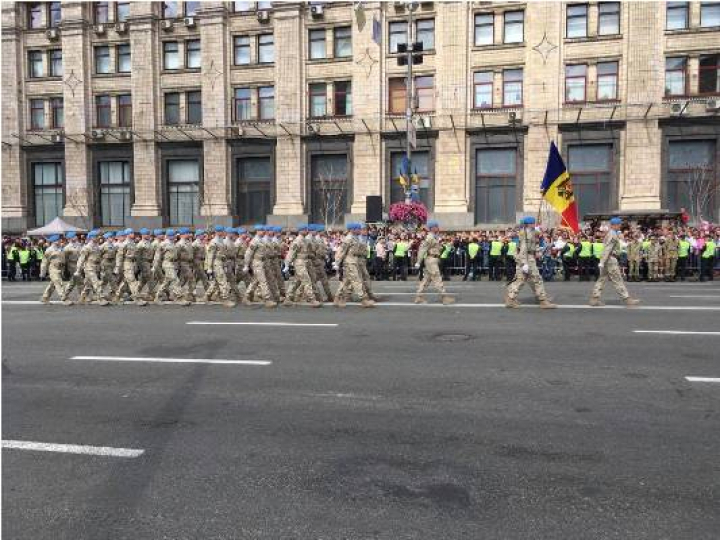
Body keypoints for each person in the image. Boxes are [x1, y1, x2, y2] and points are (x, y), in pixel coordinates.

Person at [505, 217, 556, 309]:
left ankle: (510, 298)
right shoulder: (526, 233)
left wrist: (538, 251)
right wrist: (524, 263)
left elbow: (532, 245)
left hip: (526, 257)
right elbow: (523, 248)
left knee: (521, 279)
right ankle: (543, 301)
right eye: (533, 223)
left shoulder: (530, 232)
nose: (535, 224)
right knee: (537, 279)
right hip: (527, 258)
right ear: (529, 224)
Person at [589, 217, 641, 307]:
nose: (620, 226)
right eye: (619, 224)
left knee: (601, 279)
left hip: (607, 259)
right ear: (615, 225)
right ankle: (627, 299)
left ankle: (594, 299)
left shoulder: (611, 233)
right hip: (611, 259)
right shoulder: (612, 235)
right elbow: (608, 248)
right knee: (617, 279)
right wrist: (603, 261)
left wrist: (602, 261)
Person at [414, 221, 455, 305]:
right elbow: (422, 249)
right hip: (431, 260)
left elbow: (437, 248)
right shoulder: (429, 237)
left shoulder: (435, 237)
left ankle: (419, 297)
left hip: (433, 259)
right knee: (437, 278)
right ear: (432, 228)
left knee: (426, 280)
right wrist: (418, 261)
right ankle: (444, 298)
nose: (438, 227)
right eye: (436, 226)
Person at [334, 223, 374, 308]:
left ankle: (337, 298)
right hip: (349, 262)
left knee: (346, 281)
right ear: (352, 230)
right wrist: (337, 263)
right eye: (358, 229)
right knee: (357, 280)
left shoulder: (355, 238)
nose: (360, 230)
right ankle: (364, 299)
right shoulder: (348, 239)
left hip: (355, 261)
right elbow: (342, 251)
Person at [284, 225, 322, 307]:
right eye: (305, 230)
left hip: (306, 262)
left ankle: (288, 298)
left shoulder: (305, 240)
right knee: (306, 280)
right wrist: (287, 264)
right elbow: (291, 253)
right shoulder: (297, 241)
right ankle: (312, 299)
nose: (306, 231)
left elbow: (310, 251)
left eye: (306, 229)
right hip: (299, 263)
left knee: (297, 281)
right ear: (300, 231)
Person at [152, 229, 191, 306]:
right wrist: (154, 266)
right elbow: (157, 256)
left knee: (166, 282)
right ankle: (180, 298)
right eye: (172, 235)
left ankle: (157, 297)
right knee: (175, 280)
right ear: (169, 236)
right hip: (167, 263)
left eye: (174, 235)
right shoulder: (163, 244)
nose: (174, 237)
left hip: (172, 264)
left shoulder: (173, 243)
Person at [77, 230, 111, 306]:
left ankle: (82, 298)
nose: (98, 237)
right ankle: (101, 298)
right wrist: (78, 270)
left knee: (88, 285)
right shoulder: (87, 247)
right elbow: (81, 259)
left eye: (98, 236)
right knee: (96, 282)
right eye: (96, 236)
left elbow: (99, 257)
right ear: (91, 237)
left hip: (95, 267)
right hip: (89, 267)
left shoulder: (97, 246)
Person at [39, 235, 70, 304]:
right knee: (59, 283)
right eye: (58, 240)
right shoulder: (49, 250)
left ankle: (45, 297)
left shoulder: (60, 249)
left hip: (60, 268)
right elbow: (44, 262)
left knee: (53, 284)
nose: (60, 241)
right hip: (53, 268)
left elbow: (63, 259)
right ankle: (64, 299)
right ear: (54, 241)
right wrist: (42, 273)